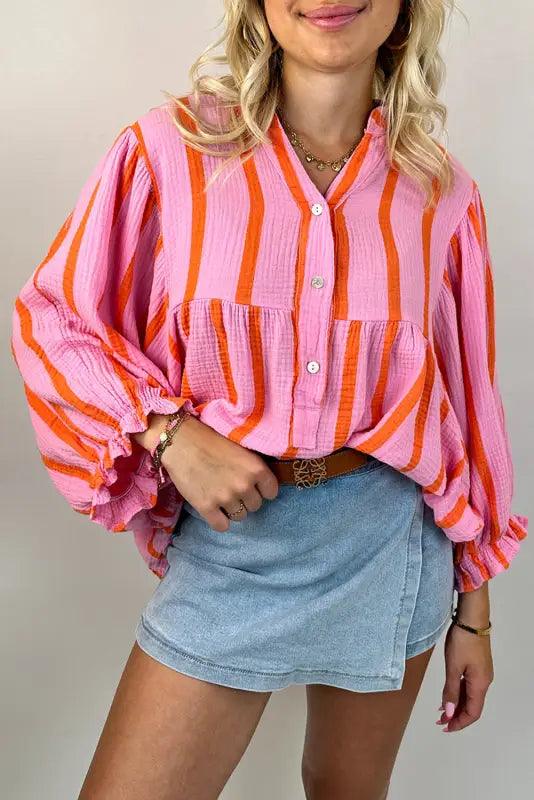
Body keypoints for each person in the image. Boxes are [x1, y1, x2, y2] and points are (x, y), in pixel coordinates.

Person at [11, 1, 528, 798]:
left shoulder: (441, 193)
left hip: (390, 542)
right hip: (235, 545)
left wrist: (474, 613)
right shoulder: (171, 150)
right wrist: (167, 432)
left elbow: (465, 405)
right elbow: (54, 317)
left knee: (343, 789)